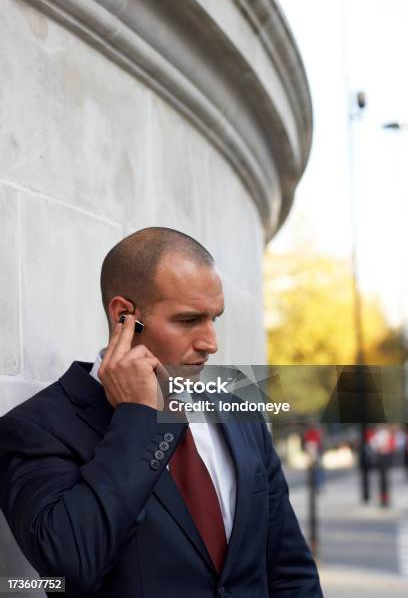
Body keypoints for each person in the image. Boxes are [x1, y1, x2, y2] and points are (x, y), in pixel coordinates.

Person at [0, 228, 322, 597]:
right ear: (125, 316)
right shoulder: (35, 429)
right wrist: (138, 418)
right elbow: (72, 567)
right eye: (188, 321)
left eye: (213, 319)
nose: (210, 344)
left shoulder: (235, 404)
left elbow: (289, 569)